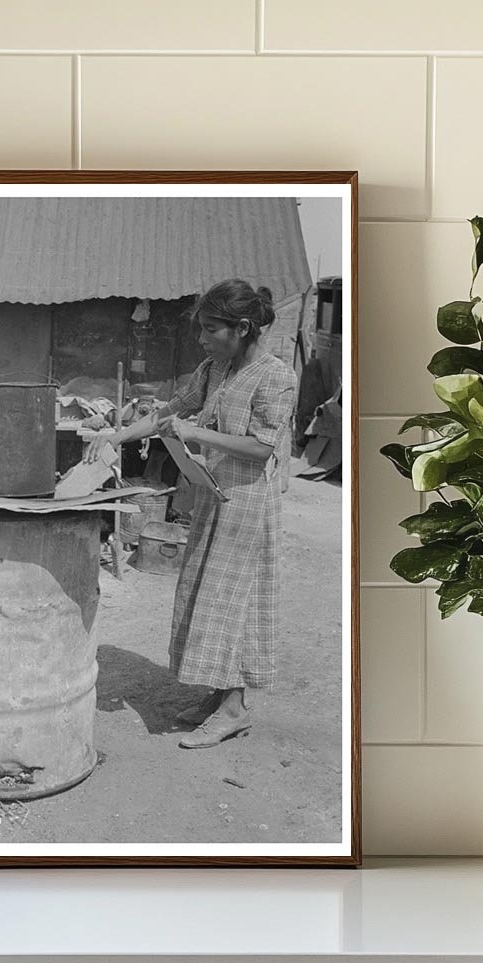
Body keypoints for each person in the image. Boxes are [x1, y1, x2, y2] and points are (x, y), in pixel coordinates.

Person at [85, 279, 297, 748]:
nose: (200, 339)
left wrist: (197, 435)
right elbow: (170, 413)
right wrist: (114, 438)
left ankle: (236, 708)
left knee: (234, 602)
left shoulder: (275, 376)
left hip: (249, 506)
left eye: (208, 329)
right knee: (206, 595)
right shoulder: (215, 368)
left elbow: (262, 448)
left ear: (242, 328)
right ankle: (220, 694)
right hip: (213, 495)